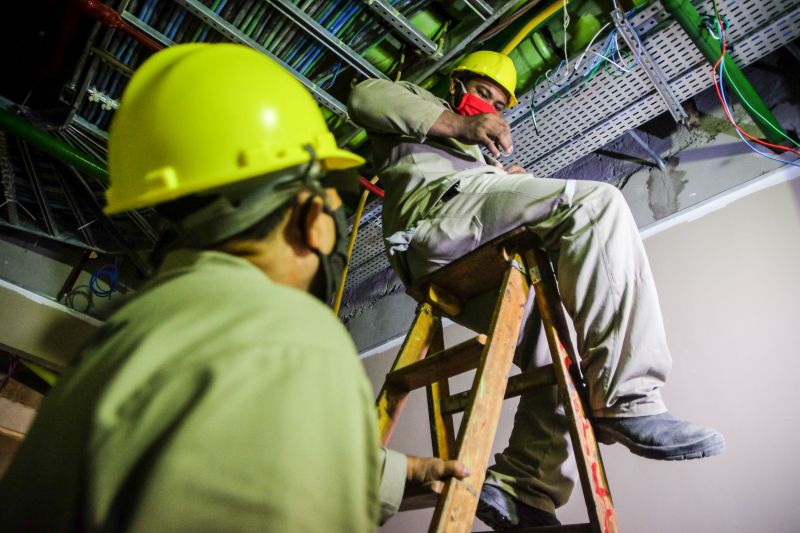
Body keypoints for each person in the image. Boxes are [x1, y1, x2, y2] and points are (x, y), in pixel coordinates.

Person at [0, 44, 468, 531]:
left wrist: (397, 472)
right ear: (313, 219)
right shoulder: (285, 330)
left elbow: (244, 450)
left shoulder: (120, 345)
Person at [348, 50, 725, 529]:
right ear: (455, 83)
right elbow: (362, 97)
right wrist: (457, 127)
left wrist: (506, 182)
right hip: (435, 220)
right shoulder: (413, 101)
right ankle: (630, 397)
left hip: (468, 233)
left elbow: (483, 188)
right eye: (481, 93)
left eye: (498, 103)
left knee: (556, 348)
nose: (488, 107)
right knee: (595, 204)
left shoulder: (473, 155)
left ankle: (523, 486)